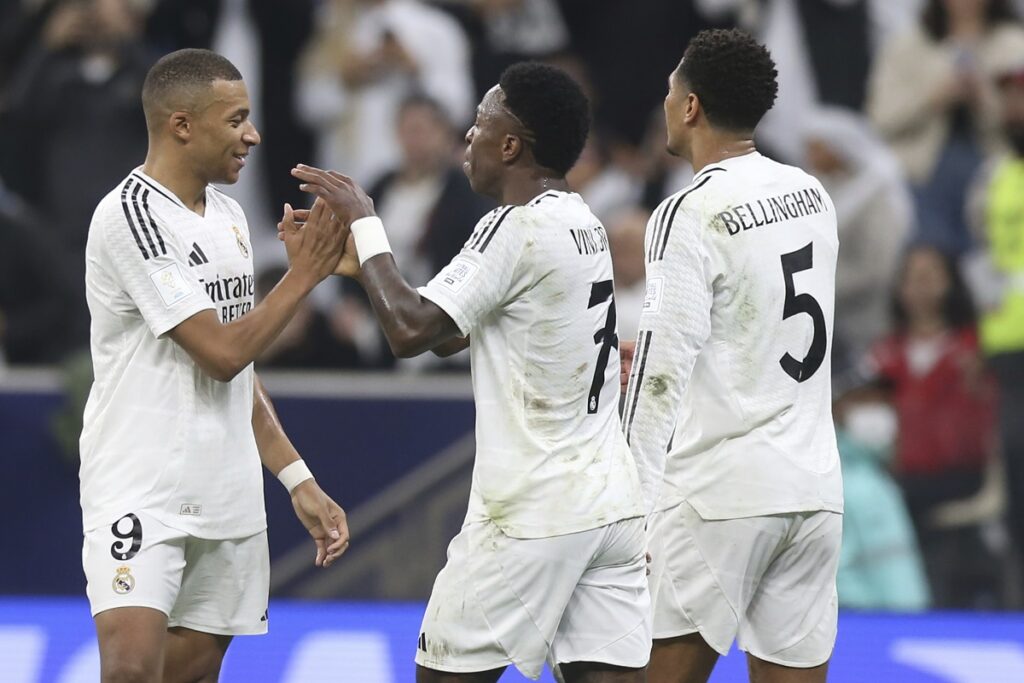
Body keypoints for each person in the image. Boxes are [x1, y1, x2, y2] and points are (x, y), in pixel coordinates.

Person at [288, 62, 649, 683]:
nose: (468, 140)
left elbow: (409, 333)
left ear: (510, 145)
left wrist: (365, 222)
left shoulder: (515, 225)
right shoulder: (580, 220)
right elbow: (450, 332)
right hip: (611, 505)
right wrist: (360, 269)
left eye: (480, 124)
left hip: (531, 513)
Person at [80, 48, 350, 683]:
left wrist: (296, 478)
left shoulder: (229, 218)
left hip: (226, 493)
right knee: (128, 673)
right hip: (142, 488)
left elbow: (243, 368)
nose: (253, 135)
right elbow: (222, 354)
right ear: (181, 124)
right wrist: (304, 274)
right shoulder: (131, 216)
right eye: (236, 121)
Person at [621, 29, 844, 683]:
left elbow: (661, 374)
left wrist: (628, 507)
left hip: (719, 493)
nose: (664, 102)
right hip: (812, 489)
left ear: (690, 107)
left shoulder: (688, 209)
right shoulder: (812, 193)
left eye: (669, 90)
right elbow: (766, 327)